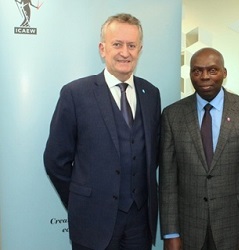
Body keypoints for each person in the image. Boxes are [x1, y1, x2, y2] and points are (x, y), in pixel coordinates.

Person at [44, 13, 160, 250]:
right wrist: (81, 200)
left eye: (131, 45)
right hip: (92, 221)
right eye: (117, 44)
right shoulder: (76, 94)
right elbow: (56, 160)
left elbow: (153, 156)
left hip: (140, 223)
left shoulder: (151, 94)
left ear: (140, 49)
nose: (125, 52)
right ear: (102, 48)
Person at [159, 47, 239, 250]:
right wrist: (171, 233)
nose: (204, 77)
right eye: (197, 71)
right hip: (188, 227)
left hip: (234, 226)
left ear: (224, 73)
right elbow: (168, 181)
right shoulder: (172, 115)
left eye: (212, 70)